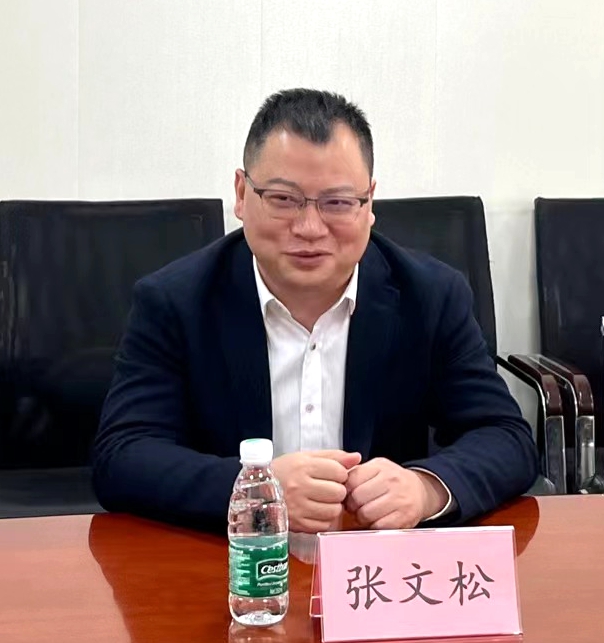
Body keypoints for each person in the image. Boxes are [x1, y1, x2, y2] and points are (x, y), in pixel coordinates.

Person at [93, 88, 538, 533]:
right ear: (242, 194)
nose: (309, 228)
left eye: (337, 203)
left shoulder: (431, 296)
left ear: (369, 204)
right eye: (283, 199)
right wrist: (255, 491)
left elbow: (507, 438)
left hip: (374, 560)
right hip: (232, 558)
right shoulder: (175, 301)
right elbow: (122, 455)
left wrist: (425, 489)